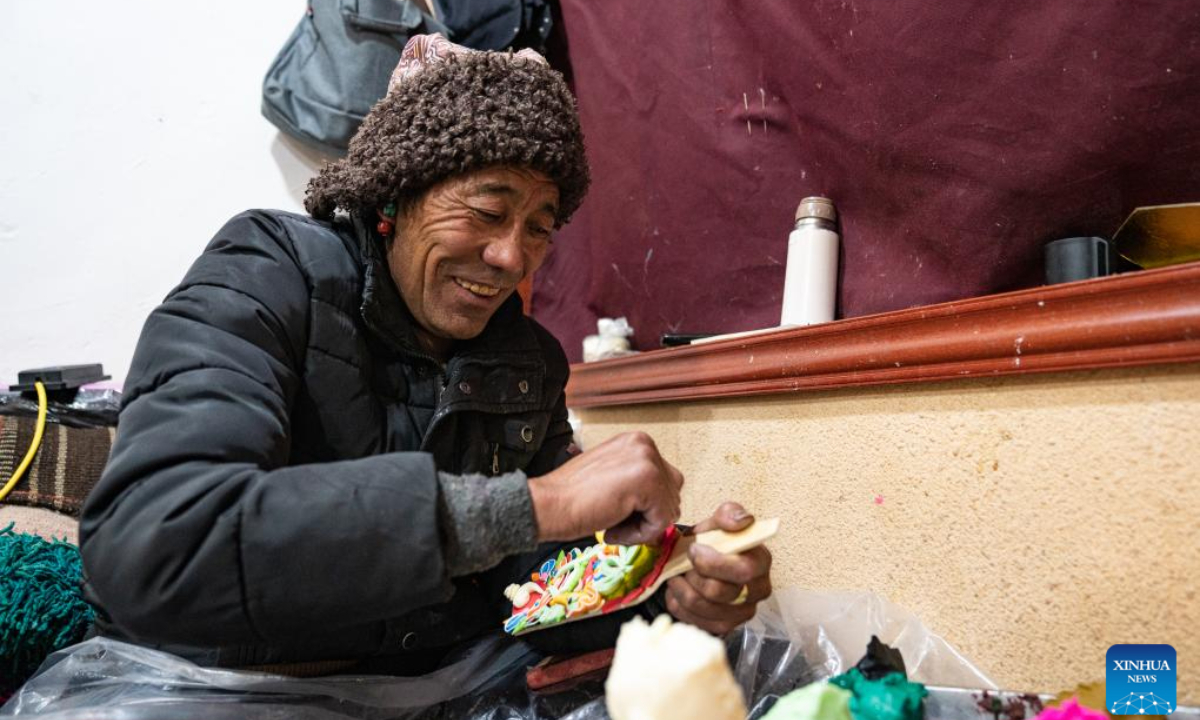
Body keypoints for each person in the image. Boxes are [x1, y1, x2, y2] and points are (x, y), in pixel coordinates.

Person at [80, 34, 771, 675]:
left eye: (540, 227)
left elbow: (534, 591)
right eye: (487, 211)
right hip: (223, 687)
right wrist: (539, 502)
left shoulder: (527, 360)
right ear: (397, 193)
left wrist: (668, 584)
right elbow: (157, 543)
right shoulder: (265, 273)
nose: (511, 258)